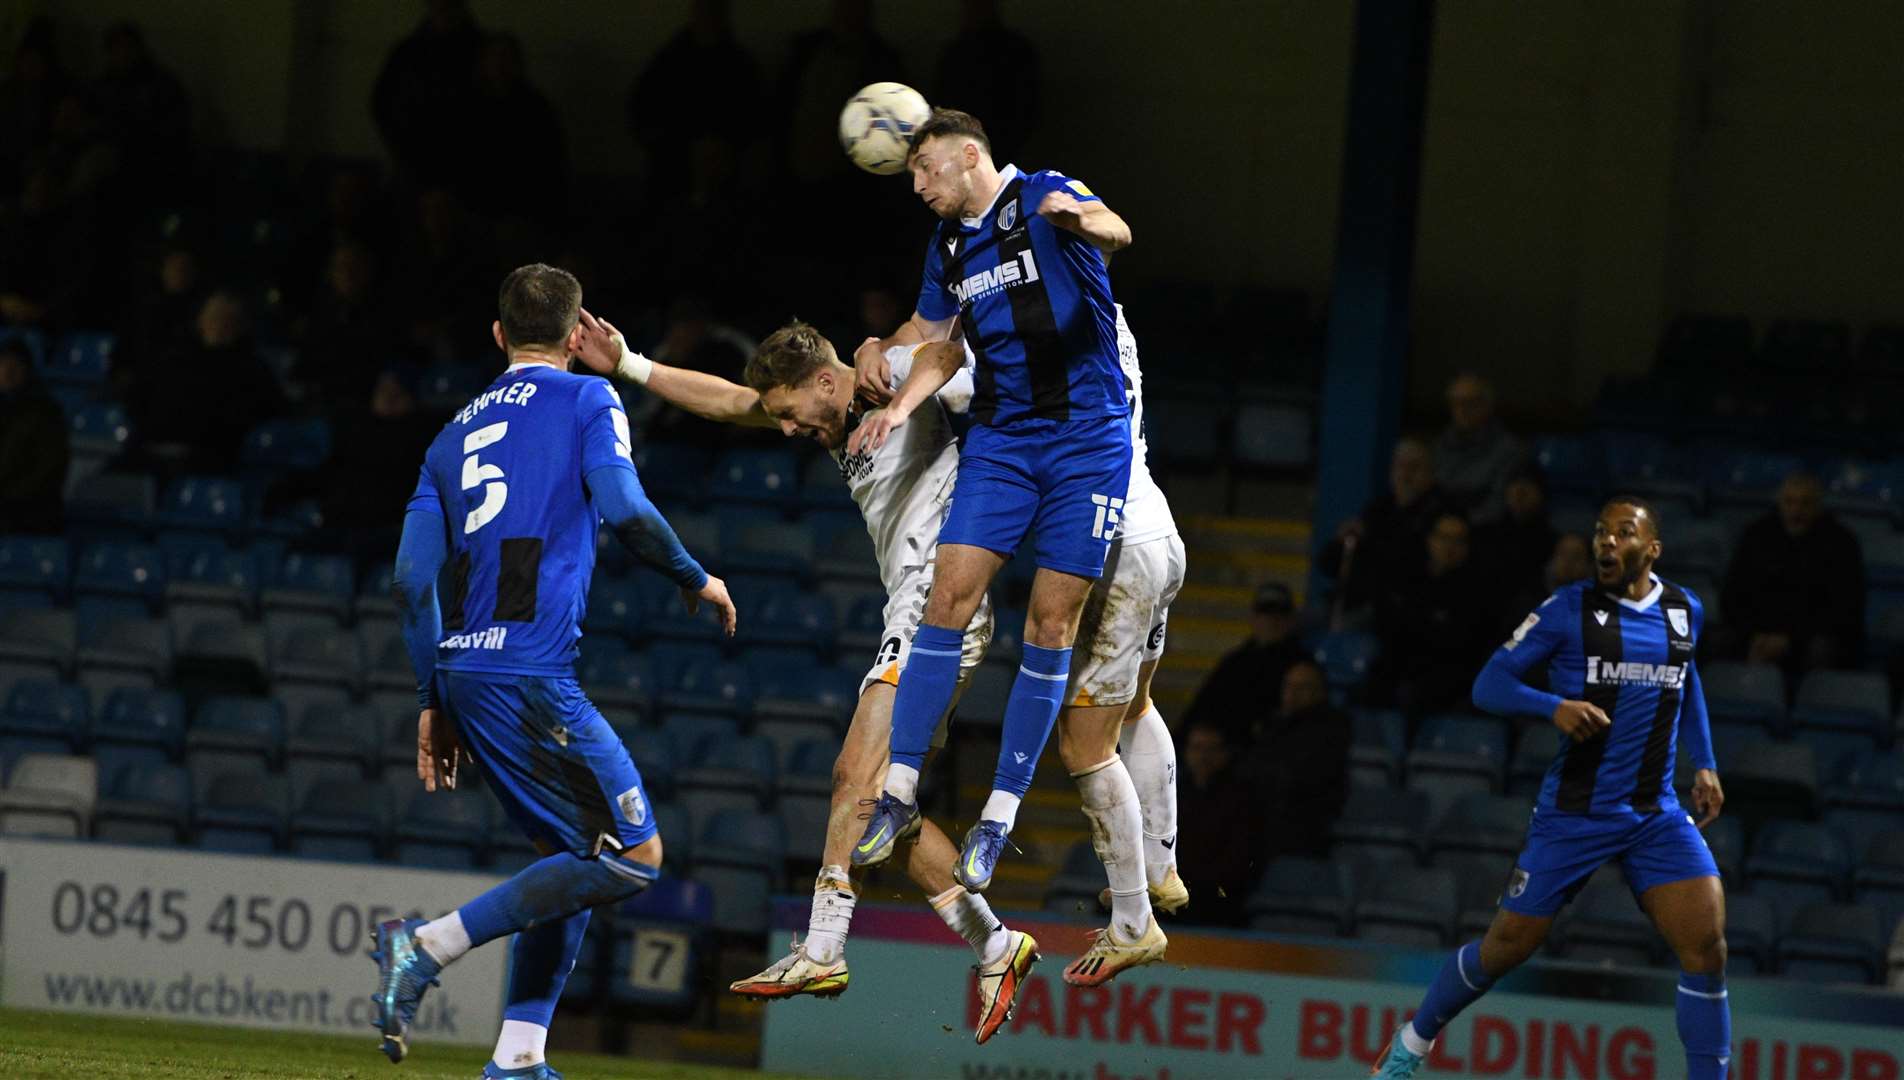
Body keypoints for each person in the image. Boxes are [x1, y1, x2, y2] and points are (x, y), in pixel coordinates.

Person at [569, 314, 1035, 1043]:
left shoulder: (886, 379)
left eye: (790, 413)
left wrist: (893, 373)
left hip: (940, 611)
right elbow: (728, 401)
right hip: (909, 613)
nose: (786, 431)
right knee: (881, 802)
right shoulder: (828, 409)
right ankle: (997, 945)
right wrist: (627, 363)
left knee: (853, 771)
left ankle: (823, 947)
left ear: (825, 381)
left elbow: (945, 352)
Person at [372, 264, 736, 1079]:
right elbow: (627, 508)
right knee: (631, 859)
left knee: (571, 858)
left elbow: (407, 581)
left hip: (467, 668)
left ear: (498, 336)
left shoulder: (449, 435)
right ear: (578, 336)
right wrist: (694, 576)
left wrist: (434, 699)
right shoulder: (587, 400)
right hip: (530, 670)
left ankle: (518, 1057)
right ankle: (424, 946)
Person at [845, 109, 1153, 974]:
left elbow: (1117, 229)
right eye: (912, 176)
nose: (918, 186)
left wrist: (1086, 221)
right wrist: (887, 369)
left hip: (1088, 441)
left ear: (970, 156)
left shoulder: (1045, 193)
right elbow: (934, 342)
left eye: (927, 170)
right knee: (948, 597)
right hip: (1005, 441)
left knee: (1051, 626)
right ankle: (900, 792)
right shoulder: (948, 247)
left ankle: (998, 819)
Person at [1372, 498, 1728, 1080]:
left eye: (1622, 533)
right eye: (1599, 532)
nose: (1606, 543)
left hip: (1654, 813)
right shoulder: (1568, 610)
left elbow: (1685, 682)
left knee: (1707, 949)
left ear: (1652, 549)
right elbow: (1489, 683)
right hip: (1576, 812)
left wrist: (1706, 763)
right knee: (1506, 947)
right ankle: (1413, 1041)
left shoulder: (1684, 609)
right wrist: (1553, 706)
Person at [1720, 471, 1864, 676]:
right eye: (1790, 502)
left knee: (1822, 649)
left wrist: (1790, 640)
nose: (1796, 511)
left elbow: (1843, 610)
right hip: (1757, 632)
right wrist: (1757, 635)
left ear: (1817, 506)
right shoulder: (1757, 536)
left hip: (1810, 637)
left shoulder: (1841, 543)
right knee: (1717, 640)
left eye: (1805, 503)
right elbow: (1734, 595)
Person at [1317, 438, 1450, 620]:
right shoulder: (1379, 508)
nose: (1406, 474)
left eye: (1414, 467)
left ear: (1431, 472)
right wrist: (1342, 540)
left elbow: (1407, 567)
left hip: (1398, 611)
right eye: (1400, 466)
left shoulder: (1441, 513)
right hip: (1351, 602)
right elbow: (1328, 563)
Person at [1379, 513, 1496, 714]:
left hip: (1450, 677)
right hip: (1405, 668)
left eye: (1458, 540)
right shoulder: (1410, 582)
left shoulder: (1478, 591)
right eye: (1443, 538)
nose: (1449, 546)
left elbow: (1463, 644)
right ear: (1430, 540)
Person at [1242, 660, 1349, 860]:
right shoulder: (1274, 725)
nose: (1292, 692)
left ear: (1321, 692)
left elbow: (1303, 778)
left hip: (1301, 826)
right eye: (1288, 685)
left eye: (1302, 687)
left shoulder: (1331, 730)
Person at [1180, 581, 1307, 748]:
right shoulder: (1235, 663)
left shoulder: (1303, 666)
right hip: (1229, 753)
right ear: (1253, 618)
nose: (1271, 621)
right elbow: (1203, 709)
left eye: (1279, 615)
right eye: (1265, 614)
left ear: (1291, 620)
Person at [1174, 721, 1257, 929]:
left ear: (1225, 754)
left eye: (1211, 749)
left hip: (1216, 894)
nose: (1203, 756)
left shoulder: (1242, 799)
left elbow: (1239, 858)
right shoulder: (1172, 794)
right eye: (1197, 748)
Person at [1433, 373, 1528, 525]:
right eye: (1456, 403)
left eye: (1470, 403)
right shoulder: (1441, 445)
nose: (1462, 410)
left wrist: (1460, 525)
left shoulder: (1509, 450)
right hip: (1441, 531)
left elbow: (1497, 505)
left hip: (1483, 532)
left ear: (1487, 405)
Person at [0, 342, 66, 533]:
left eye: (16, 365)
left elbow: (48, 470)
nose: (8, 371)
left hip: (30, 512)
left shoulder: (46, 413)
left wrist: (7, 496)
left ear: (27, 371)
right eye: (3, 364)